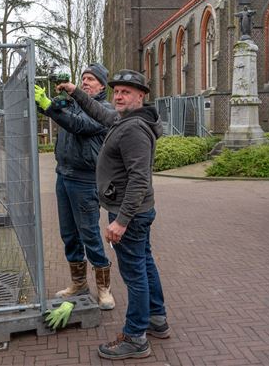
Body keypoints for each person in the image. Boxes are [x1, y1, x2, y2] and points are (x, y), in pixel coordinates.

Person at [57, 69, 169, 360]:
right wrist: (75, 91)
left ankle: (135, 337)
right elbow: (98, 112)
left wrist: (121, 221)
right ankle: (157, 320)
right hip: (134, 212)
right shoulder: (126, 119)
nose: (119, 96)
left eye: (126, 92)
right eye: (116, 91)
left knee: (135, 275)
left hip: (128, 215)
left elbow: (139, 179)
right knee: (144, 264)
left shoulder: (134, 130)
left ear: (141, 96)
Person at [34, 63, 115, 310]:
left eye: (91, 79)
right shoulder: (75, 104)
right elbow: (65, 115)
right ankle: (78, 283)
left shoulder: (105, 110)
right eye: (83, 78)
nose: (86, 82)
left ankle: (104, 289)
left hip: (85, 179)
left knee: (89, 234)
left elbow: (79, 125)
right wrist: (43, 102)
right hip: (64, 176)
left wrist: (51, 107)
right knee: (69, 234)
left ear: (102, 85)